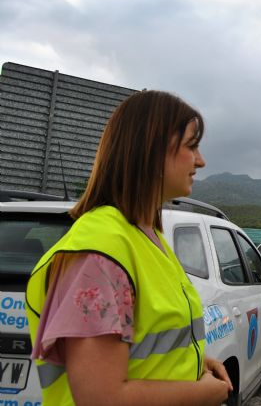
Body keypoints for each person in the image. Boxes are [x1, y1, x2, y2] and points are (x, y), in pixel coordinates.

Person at [25, 90, 233, 405]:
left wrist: (197, 364)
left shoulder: (147, 236)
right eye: (191, 146)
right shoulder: (100, 254)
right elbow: (101, 398)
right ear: (151, 149)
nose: (200, 161)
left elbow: (146, 347)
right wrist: (201, 393)